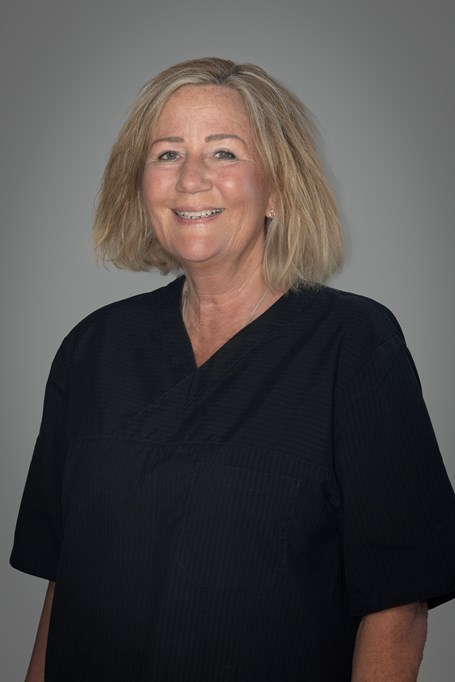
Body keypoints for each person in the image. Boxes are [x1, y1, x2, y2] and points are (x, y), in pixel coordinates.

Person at [10, 57, 455, 682]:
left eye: (223, 153)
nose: (191, 178)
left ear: (276, 190)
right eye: (167, 154)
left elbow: (397, 606)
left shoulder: (354, 346)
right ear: (140, 185)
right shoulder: (92, 350)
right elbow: (65, 584)